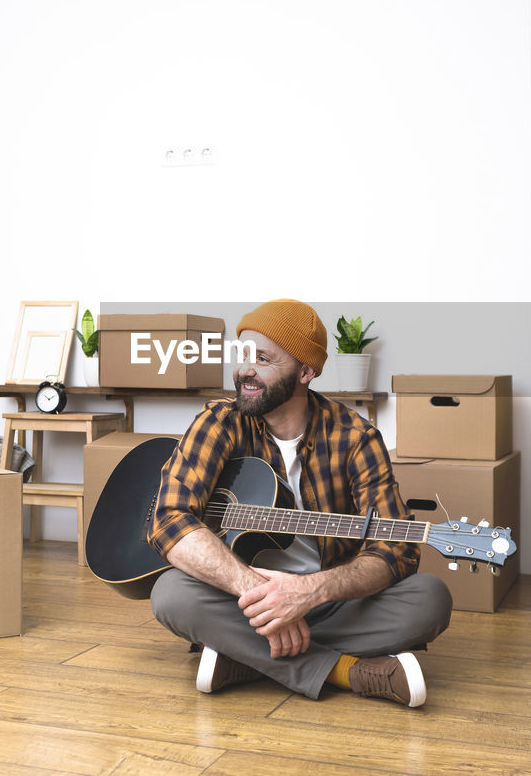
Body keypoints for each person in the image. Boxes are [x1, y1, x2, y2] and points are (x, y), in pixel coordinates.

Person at [148, 299, 453, 707]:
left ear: (306, 372)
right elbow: (169, 520)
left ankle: (243, 658)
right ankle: (349, 671)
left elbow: (395, 549)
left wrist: (308, 593)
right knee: (171, 594)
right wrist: (264, 596)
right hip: (241, 600)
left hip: (329, 601)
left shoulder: (356, 438)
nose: (244, 369)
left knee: (430, 599)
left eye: (264, 358)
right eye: (243, 355)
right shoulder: (219, 421)